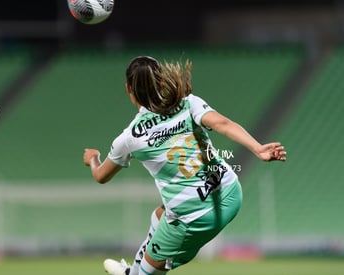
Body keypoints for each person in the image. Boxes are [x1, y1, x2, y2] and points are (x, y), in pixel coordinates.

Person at [83, 56, 286, 275]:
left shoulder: (130, 137)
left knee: (147, 272)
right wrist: (258, 148)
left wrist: (93, 158)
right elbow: (222, 124)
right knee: (159, 216)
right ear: (162, 82)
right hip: (230, 194)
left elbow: (101, 176)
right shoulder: (188, 103)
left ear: (128, 89)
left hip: (195, 217)